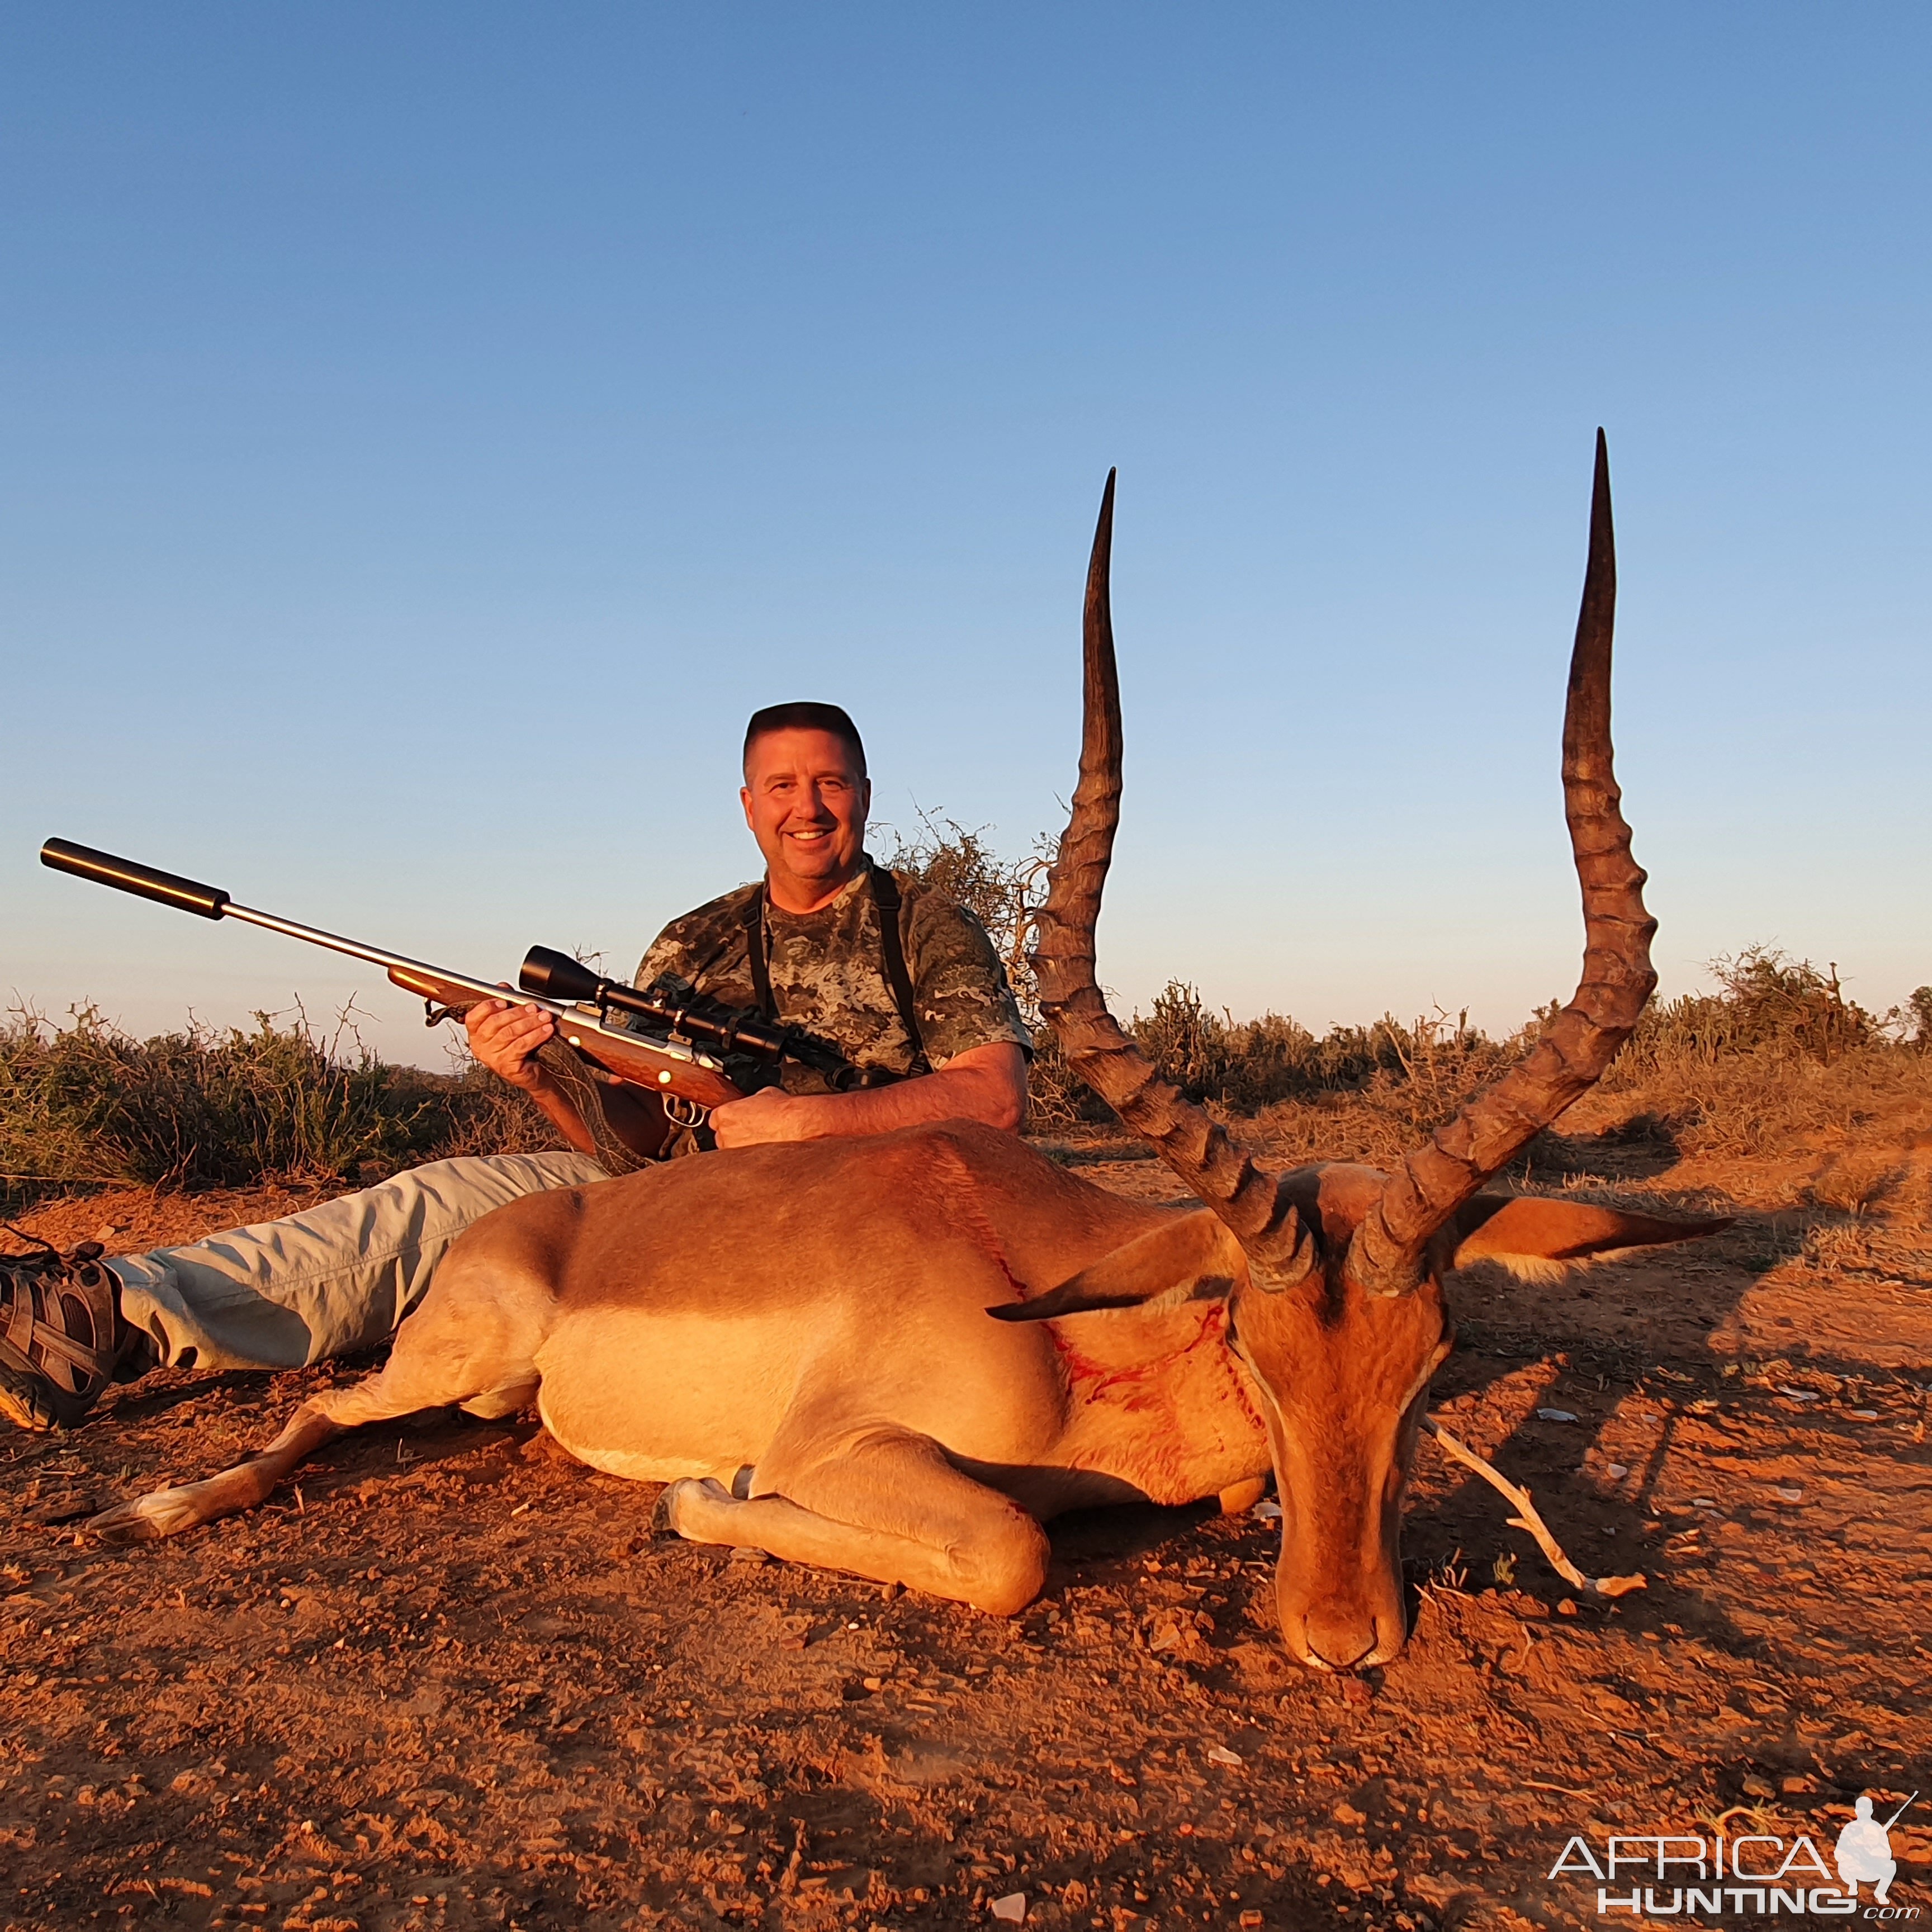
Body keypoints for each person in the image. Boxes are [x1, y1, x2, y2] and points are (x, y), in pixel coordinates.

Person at [0, 702, 1032, 1433]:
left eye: (829, 781)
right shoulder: (694, 940)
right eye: (782, 786)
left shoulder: (927, 926)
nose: (807, 806)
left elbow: (995, 1097)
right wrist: (540, 1074)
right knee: (439, 1199)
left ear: (862, 792)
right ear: (748, 803)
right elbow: (634, 1138)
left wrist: (800, 1124)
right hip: (688, 1197)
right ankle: (114, 1311)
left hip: (873, 1213)